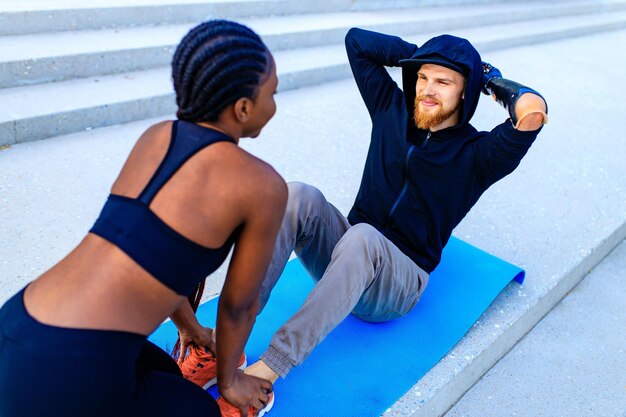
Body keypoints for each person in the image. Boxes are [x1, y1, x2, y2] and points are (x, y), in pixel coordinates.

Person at [0, 19, 285, 417]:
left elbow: (146, 246)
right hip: (67, 369)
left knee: (167, 374)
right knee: (201, 411)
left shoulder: (156, 137)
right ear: (242, 108)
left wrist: (189, 326)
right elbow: (239, 307)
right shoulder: (263, 186)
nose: (275, 103)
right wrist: (230, 381)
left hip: (18, 324)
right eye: (273, 92)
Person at [241, 27, 548, 392]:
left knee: (363, 238)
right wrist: (428, 53)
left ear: (465, 91)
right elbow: (357, 41)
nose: (427, 90)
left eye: (444, 82)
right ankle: (230, 341)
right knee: (296, 195)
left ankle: (270, 370)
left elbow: (531, 112)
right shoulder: (391, 108)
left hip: (397, 286)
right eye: (422, 78)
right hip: (344, 258)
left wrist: (488, 79)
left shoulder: (480, 155)